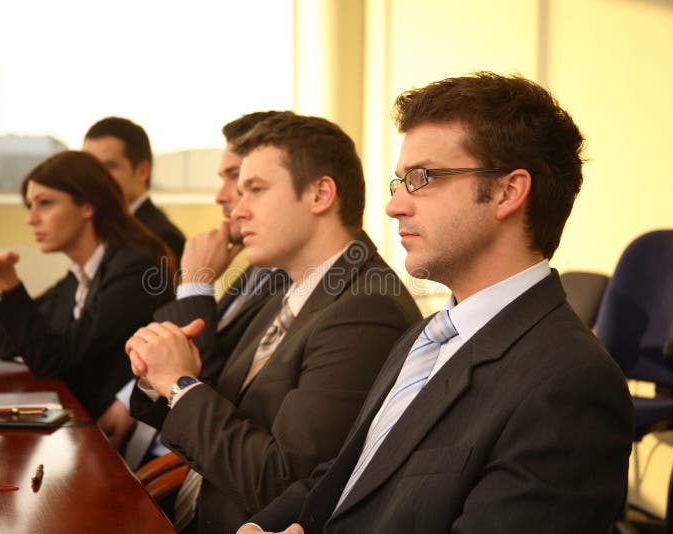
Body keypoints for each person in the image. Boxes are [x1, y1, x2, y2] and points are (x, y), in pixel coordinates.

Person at [238, 72, 634, 534]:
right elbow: (350, 475)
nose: (394, 206)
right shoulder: (423, 338)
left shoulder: (570, 384)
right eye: (399, 182)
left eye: (421, 178)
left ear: (508, 192)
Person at [125, 112, 422, 533]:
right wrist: (161, 371)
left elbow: (281, 484)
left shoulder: (365, 312)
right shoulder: (290, 286)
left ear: (320, 194)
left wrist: (180, 385)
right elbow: (225, 405)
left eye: (256, 190)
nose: (237, 211)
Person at [0, 151, 175, 419]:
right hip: (81, 417)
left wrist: (10, 285)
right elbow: (12, 344)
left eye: (44, 203)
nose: (31, 218)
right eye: (30, 205)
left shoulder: (134, 268)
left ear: (87, 206)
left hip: (119, 429)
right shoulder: (80, 273)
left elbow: (51, 360)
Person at [101, 111, 289, 462]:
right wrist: (131, 394)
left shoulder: (291, 278)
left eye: (244, 180)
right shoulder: (256, 268)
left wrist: (195, 285)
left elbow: (214, 383)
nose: (221, 196)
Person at [83, 116, 186, 259]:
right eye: (90, 167)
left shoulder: (162, 237)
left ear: (142, 171)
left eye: (108, 167)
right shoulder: (95, 230)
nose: (96, 176)